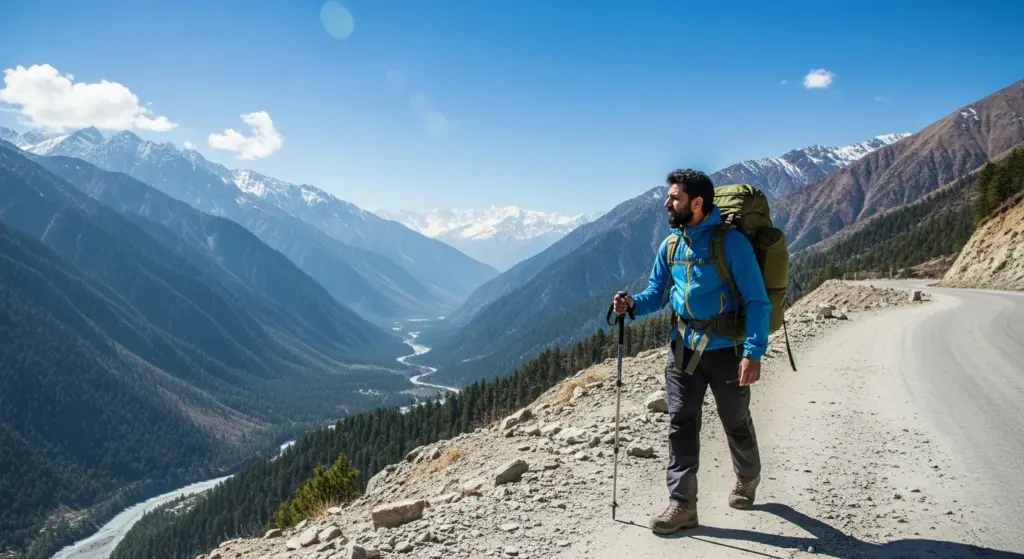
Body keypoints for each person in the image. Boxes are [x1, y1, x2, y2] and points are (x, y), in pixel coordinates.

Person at [612, 168, 771, 534]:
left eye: (675, 198)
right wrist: (632, 304)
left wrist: (754, 352)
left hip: (727, 350)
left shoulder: (731, 243)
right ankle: (682, 505)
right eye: (669, 197)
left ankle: (747, 476)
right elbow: (656, 293)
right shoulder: (671, 244)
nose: (667, 203)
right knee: (681, 423)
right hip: (683, 349)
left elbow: (757, 301)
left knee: (734, 419)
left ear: (697, 203)